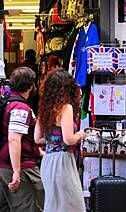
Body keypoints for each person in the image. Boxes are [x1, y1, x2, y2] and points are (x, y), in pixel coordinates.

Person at [0, 67, 44, 212]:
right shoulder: (20, 108)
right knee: (29, 204)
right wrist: (16, 171)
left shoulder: (7, 100)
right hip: (18, 164)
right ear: (30, 86)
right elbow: (14, 139)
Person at [34, 69, 86, 212]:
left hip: (48, 160)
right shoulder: (66, 108)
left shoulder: (45, 108)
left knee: (52, 204)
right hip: (63, 161)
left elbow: (37, 138)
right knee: (71, 204)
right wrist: (81, 134)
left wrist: (53, 140)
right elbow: (69, 139)